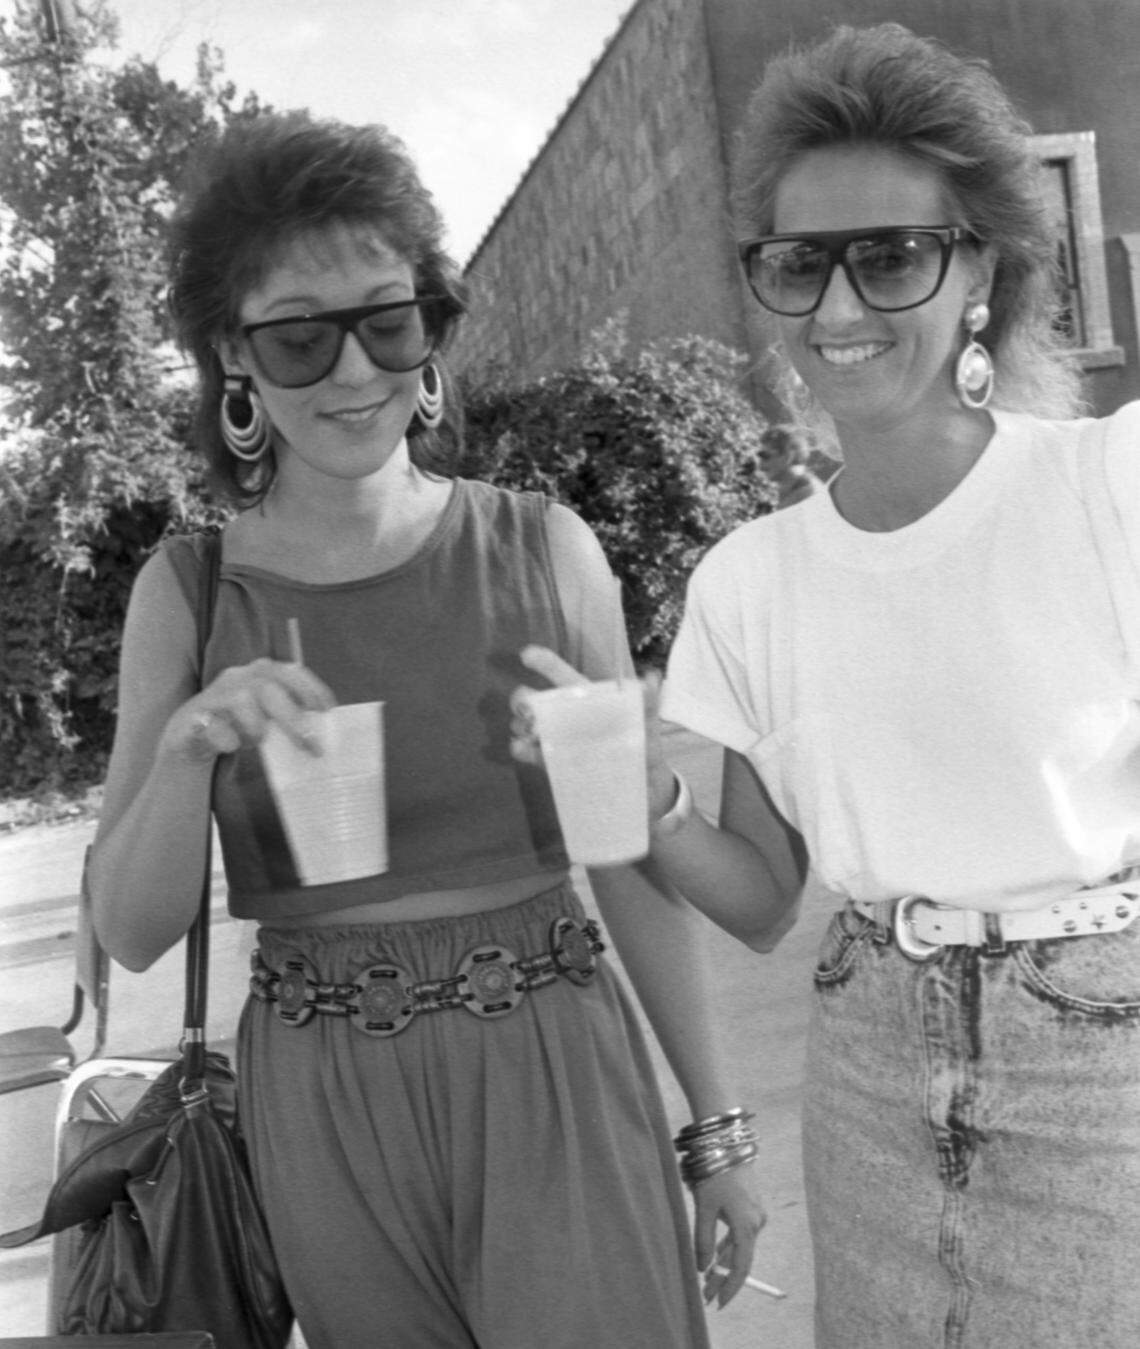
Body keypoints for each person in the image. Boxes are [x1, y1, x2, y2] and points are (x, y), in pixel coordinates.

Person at [87, 111, 762, 1349]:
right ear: (233, 354)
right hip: (325, 1102)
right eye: (300, 338)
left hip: (554, 1062)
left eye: (387, 324)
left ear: (428, 330)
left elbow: (625, 859)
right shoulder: (187, 593)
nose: (353, 373)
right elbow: (129, 931)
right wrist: (189, 748)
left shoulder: (544, 549)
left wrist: (715, 1127)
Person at [517, 22, 1140, 1349]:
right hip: (868, 1066)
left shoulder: (1105, 489)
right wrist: (641, 800)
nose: (838, 311)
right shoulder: (748, 581)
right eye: (801, 265)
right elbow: (759, 898)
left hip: (1103, 1065)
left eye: (892, 255)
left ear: (981, 270)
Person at [757, 422, 823, 507]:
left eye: (765, 456)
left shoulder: (810, 496)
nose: (760, 466)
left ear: (788, 456)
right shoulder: (792, 489)